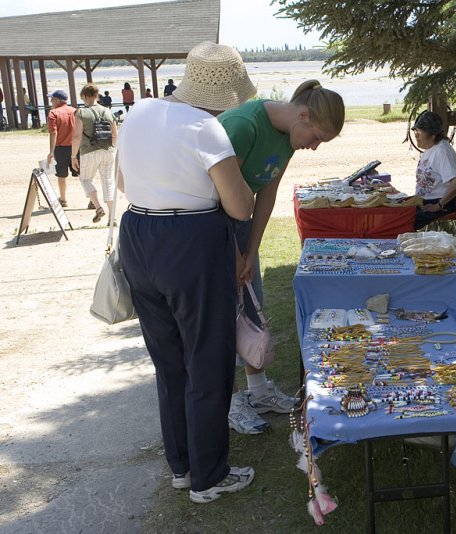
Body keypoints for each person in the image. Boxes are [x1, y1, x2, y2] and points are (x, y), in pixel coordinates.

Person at [116, 41, 257, 504]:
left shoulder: (138, 113)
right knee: (208, 360)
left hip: (138, 233)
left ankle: (181, 465)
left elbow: (121, 182)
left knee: (168, 360)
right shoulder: (205, 129)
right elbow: (240, 205)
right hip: (192, 242)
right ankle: (209, 476)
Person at [217, 80, 344, 433]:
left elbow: (266, 195)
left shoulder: (288, 135)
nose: (314, 147)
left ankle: (258, 392)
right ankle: (230, 403)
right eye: (316, 137)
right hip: (210, 228)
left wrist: (251, 250)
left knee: (252, 306)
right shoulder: (244, 126)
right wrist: (232, 255)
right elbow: (213, 199)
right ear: (302, 115)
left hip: (240, 230)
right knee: (222, 315)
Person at [71, 83, 118, 224]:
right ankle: (113, 217)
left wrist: (74, 156)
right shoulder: (108, 111)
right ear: (97, 95)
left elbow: (77, 137)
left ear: (84, 96)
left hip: (89, 151)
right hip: (108, 151)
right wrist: (113, 149)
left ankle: (98, 207)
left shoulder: (80, 112)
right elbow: (115, 135)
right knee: (108, 182)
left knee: (85, 180)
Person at [411, 111, 456, 229]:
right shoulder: (431, 148)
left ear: (433, 134)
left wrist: (438, 205)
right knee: (396, 212)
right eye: (416, 131)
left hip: (440, 202)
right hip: (424, 201)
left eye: (420, 132)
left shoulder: (442, 151)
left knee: (405, 221)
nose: (416, 135)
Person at [46, 89, 78, 207]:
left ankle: (63, 199)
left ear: (58, 100)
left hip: (61, 147)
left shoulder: (53, 113)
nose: (51, 101)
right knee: (83, 174)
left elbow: (53, 133)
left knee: (61, 175)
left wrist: (51, 151)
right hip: (76, 146)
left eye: (52, 99)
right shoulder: (75, 111)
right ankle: (91, 199)